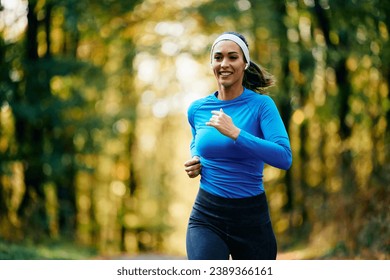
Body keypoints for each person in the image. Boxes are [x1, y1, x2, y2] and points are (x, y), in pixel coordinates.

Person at [184, 31, 292, 260]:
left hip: (251, 218)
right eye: (218, 57)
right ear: (211, 63)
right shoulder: (197, 109)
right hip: (207, 215)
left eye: (233, 57)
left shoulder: (262, 106)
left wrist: (236, 133)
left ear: (245, 63)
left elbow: (284, 157)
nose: (224, 63)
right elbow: (197, 141)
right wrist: (196, 160)